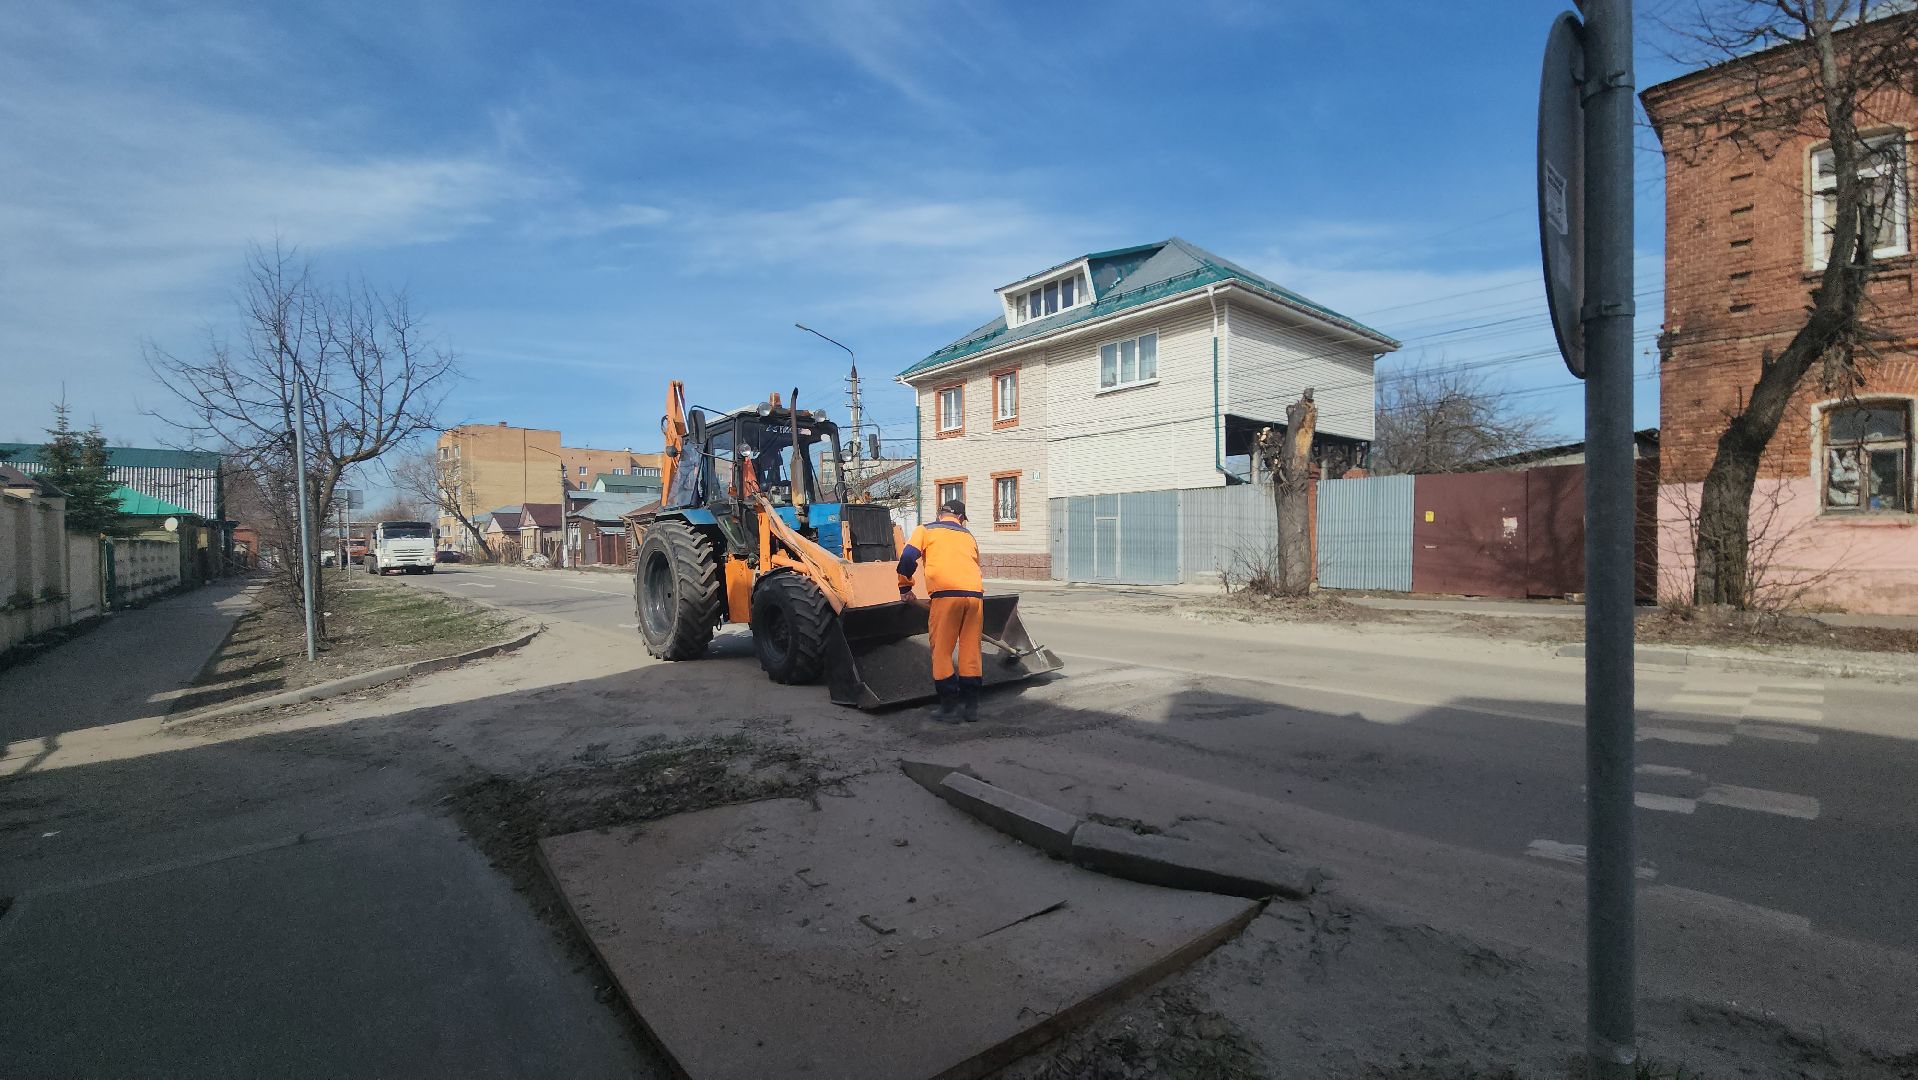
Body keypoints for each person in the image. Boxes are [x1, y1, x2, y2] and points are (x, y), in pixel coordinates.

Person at [896, 500, 984, 722]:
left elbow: (907, 557)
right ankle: (971, 708)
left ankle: (949, 707)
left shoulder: (926, 529)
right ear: (961, 518)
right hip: (975, 597)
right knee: (970, 649)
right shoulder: (968, 536)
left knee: (942, 651)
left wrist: (905, 586)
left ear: (940, 514)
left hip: (946, 596)